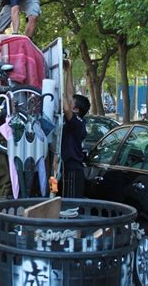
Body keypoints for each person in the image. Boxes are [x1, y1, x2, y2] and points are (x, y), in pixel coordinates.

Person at [60, 59, 90, 198]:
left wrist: (59, 79)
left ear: (76, 109)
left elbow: (66, 105)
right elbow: (70, 94)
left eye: (72, 102)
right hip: (66, 167)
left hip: (74, 171)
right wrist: (69, 70)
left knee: (71, 208)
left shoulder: (78, 123)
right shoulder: (74, 119)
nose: (68, 99)